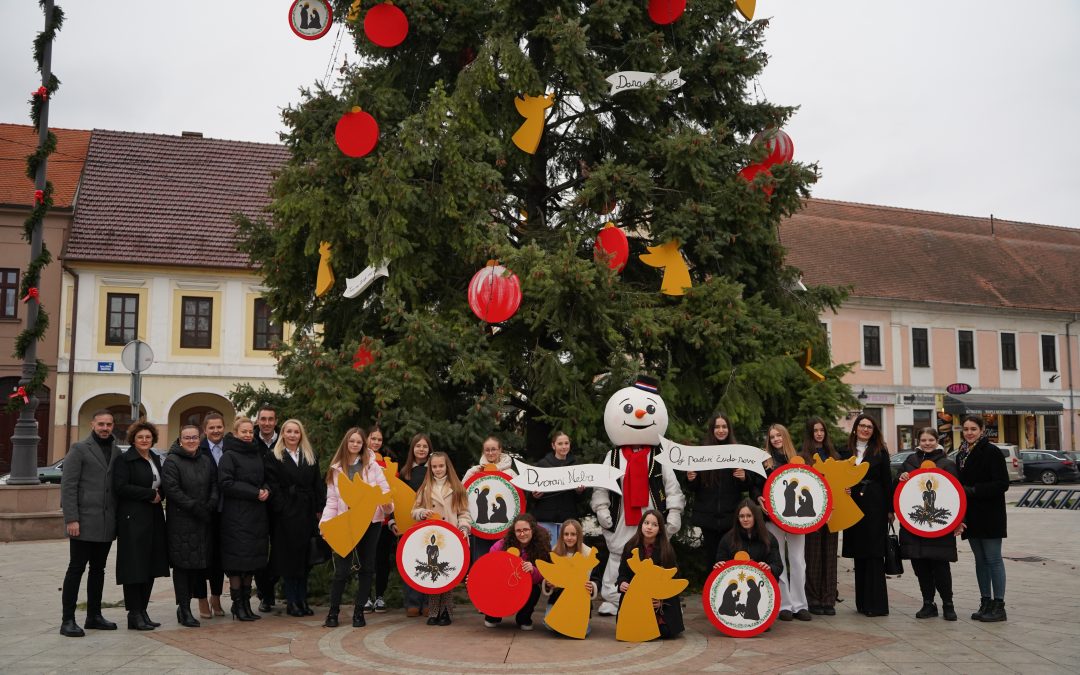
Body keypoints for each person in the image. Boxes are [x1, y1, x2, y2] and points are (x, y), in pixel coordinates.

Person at [321, 427, 392, 628]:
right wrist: (325, 523)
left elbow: (385, 491)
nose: (355, 444)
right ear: (346, 442)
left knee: (367, 568)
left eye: (358, 442)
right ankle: (333, 612)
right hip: (346, 523)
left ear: (363, 444)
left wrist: (388, 506)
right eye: (351, 441)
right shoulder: (336, 469)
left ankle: (359, 612)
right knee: (341, 571)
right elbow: (332, 501)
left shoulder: (373, 466)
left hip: (371, 523)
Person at [59, 410, 123, 637]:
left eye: (109, 424)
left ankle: (94, 616)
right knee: (76, 569)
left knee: (98, 570)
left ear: (113, 426)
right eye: (101, 424)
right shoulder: (79, 449)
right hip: (83, 522)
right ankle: (67, 620)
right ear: (92, 424)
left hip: (106, 523)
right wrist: (71, 518)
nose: (105, 428)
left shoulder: (116, 451)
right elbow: (68, 486)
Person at [112, 419, 169, 631]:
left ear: (153, 439)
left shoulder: (155, 457)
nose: (144, 440)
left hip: (154, 516)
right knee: (134, 566)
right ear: (133, 440)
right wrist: (149, 494)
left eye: (148, 437)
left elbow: (161, 485)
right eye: (140, 437)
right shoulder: (125, 460)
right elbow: (120, 487)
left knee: (150, 565)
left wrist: (160, 494)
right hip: (132, 519)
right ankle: (134, 613)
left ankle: (143, 610)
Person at [897, 427, 959, 621]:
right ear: (918, 442)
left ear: (936, 441)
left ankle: (948, 604)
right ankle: (928, 603)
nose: (927, 443)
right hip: (914, 527)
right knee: (921, 568)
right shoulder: (910, 462)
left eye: (931, 440)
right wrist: (901, 478)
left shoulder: (947, 464)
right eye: (923, 440)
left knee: (941, 567)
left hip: (939, 527)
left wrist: (959, 521)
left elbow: (956, 495)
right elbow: (898, 490)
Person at [749, 424, 811, 621]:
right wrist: (758, 498)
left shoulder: (797, 460)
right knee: (778, 560)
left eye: (779, 435)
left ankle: (800, 605)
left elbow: (810, 486)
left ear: (785, 437)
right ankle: (784, 605)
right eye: (772, 436)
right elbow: (755, 486)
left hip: (797, 519)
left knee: (798, 561)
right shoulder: (764, 462)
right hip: (772, 517)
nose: (776, 439)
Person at [266, 419, 325, 617]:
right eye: (289, 431)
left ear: (301, 435)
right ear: (283, 433)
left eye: (296, 432)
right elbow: (272, 485)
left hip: (307, 513)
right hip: (287, 515)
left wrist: (320, 508)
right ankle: (292, 601)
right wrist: (283, 507)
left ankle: (302, 599)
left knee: (306, 559)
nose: (292, 435)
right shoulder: (274, 456)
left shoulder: (309, 455)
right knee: (290, 559)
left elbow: (317, 483)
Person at [162, 424, 219, 628]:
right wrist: (195, 507)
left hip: (203, 521)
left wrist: (211, 503)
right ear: (180, 440)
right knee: (182, 567)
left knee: (197, 565)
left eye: (194, 437)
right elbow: (172, 490)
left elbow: (214, 484)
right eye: (187, 437)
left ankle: (187, 607)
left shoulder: (205, 460)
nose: (191, 441)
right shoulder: (172, 461)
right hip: (182, 522)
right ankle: (184, 608)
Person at [410, 450, 471, 626]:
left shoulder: (457, 487)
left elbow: (464, 513)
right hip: (433, 538)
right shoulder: (425, 488)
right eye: (434, 466)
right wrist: (422, 512)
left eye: (441, 466)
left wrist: (464, 527)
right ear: (430, 468)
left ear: (447, 466)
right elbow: (414, 511)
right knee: (434, 574)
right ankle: (433, 611)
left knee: (447, 574)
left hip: (451, 538)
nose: (438, 469)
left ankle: (446, 612)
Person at [957, 415, 1008, 622]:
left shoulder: (991, 451)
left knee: (993, 559)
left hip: (990, 514)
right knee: (980, 560)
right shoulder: (961, 453)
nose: (969, 432)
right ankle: (985, 601)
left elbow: (1002, 483)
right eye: (966, 429)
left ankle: (999, 606)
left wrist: (973, 490)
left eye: (973, 429)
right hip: (971, 515)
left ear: (982, 430)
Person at [218, 416, 270, 621]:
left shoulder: (256, 453)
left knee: (251, 562)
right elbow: (226, 483)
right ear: (235, 433)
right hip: (236, 517)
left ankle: (247, 604)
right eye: (244, 432)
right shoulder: (229, 455)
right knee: (237, 563)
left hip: (256, 516)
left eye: (250, 432)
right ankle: (237, 605)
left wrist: (266, 489)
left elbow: (264, 478)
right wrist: (254, 492)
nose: (248, 435)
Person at [842, 413, 893, 617]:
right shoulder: (845, 451)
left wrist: (890, 509)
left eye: (869, 427)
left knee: (874, 554)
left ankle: (877, 605)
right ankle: (862, 603)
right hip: (852, 504)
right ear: (855, 428)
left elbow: (887, 480)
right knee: (859, 553)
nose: (865, 429)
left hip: (875, 506)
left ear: (874, 431)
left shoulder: (880, 451)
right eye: (862, 426)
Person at [686, 412, 746, 567]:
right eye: (717, 427)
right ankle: (711, 583)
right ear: (712, 430)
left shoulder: (738, 452)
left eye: (724, 427)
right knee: (712, 559)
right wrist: (691, 479)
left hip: (731, 518)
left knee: (731, 558)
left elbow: (746, 486)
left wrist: (743, 478)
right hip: (708, 518)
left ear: (729, 429)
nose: (721, 430)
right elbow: (693, 487)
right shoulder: (701, 453)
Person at [799, 416, 844, 615]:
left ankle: (828, 599)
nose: (819, 434)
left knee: (830, 555)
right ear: (810, 433)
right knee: (813, 555)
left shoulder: (834, 455)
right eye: (815, 431)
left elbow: (841, 481)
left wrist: (846, 489)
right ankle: (813, 599)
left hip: (833, 511)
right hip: (812, 512)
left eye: (822, 430)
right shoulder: (804, 457)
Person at [616, 509, 684, 639]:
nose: (649, 527)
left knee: (665, 631)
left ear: (660, 529)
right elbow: (623, 572)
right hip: (636, 597)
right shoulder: (630, 546)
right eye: (646, 523)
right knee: (631, 630)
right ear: (641, 525)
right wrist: (622, 582)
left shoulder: (666, 549)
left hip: (657, 600)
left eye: (654, 524)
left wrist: (661, 601)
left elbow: (673, 577)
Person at [483, 514, 551, 631]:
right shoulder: (501, 545)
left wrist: (533, 570)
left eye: (525, 530)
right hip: (503, 583)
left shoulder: (542, 548)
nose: (522, 534)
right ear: (513, 532)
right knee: (495, 587)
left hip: (525, 585)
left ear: (532, 530)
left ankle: (523, 618)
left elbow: (544, 575)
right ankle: (493, 615)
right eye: (518, 531)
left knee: (535, 589)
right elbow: (488, 567)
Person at [391, 433, 432, 617]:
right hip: (409, 523)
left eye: (425, 446)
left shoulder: (435, 469)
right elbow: (396, 499)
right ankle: (412, 602)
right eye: (418, 446)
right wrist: (393, 521)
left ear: (429, 449)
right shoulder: (404, 472)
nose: (421, 449)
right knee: (412, 561)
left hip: (430, 522)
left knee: (430, 561)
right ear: (412, 449)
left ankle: (429, 602)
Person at [463, 436, 519, 562]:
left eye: (493, 449)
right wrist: (473, 473)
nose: (490, 453)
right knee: (481, 561)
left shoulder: (510, 473)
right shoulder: (476, 471)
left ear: (500, 450)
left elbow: (518, 497)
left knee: (502, 562)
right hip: (481, 528)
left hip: (505, 529)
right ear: (483, 451)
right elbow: (462, 490)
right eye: (487, 450)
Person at [542, 519, 598, 632]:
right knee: (550, 625)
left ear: (579, 536)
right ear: (562, 536)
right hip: (558, 598)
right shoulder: (555, 551)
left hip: (579, 600)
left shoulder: (588, 553)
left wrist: (592, 585)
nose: (569, 537)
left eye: (573, 534)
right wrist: (549, 583)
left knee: (578, 630)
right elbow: (551, 575)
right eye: (566, 534)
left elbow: (597, 578)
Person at [197, 412, 227, 618]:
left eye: (219, 427)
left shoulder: (230, 448)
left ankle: (216, 597)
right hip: (203, 511)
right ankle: (201, 599)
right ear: (205, 430)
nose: (216, 431)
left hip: (226, 511)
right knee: (202, 557)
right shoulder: (197, 448)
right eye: (212, 428)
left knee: (219, 558)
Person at [529, 431, 583, 543]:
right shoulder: (542, 465)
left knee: (566, 552)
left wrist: (579, 492)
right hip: (545, 519)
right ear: (553, 446)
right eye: (560, 444)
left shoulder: (576, 466)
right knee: (546, 550)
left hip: (568, 520)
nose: (564, 447)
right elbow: (530, 495)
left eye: (566, 443)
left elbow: (580, 500)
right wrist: (534, 495)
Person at [253, 405, 280, 614]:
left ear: (276, 421)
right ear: (258, 421)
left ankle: (270, 586)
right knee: (259, 552)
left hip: (280, 506)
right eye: (263, 419)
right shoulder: (251, 441)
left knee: (280, 551)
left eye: (270, 419)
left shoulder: (284, 441)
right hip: (257, 504)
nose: (267, 423)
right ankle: (265, 593)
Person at [714, 499, 784, 578]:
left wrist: (770, 568)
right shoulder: (727, 539)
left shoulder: (769, 538)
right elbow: (721, 563)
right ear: (737, 518)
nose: (745, 519)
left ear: (755, 517)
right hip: (734, 581)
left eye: (749, 516)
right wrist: (719, 565)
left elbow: (778, 566)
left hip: (761, 582)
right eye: (741, 516)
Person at [367, 426, 394, 614]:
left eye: (379, 439)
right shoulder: (358, 461)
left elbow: (393, 494)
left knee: (382, 560)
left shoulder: (388, 464)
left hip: (383, 521)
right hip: (364, 519)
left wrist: (391, 518)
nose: (376, 442)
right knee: (366, 559)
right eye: (373, 438)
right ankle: (365, 596)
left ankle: (380, 596)